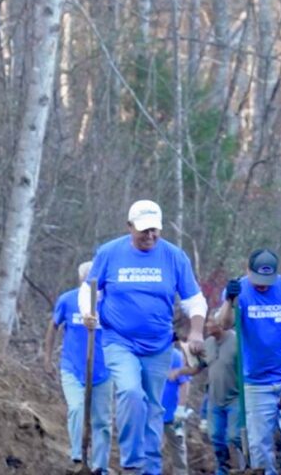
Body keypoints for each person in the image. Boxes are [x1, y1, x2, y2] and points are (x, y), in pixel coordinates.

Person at [80, 199, 208, 475]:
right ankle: (132, 462)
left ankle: (150, 467)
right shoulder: (109, 253)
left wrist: (196, 330)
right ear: (129, 227)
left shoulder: (174, 256)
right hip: (119, 340)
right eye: (143, 230)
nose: (150, 236)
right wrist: (89, 311)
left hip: (159, 345)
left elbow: (194, 300)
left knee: (154, 407)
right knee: (129, 392)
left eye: (154, 230)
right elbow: (89, 288)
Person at [219, 248, 281, 475]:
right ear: (247, 270)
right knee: (258, 443)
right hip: (255, 381)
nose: (263, 285)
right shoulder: (238, 291)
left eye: (267, 281)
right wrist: (229, 300)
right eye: (258, 280)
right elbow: (224, 324)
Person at [44, 261, 113, 475]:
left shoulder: (110, 303)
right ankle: (77, 456)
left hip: (103, 371)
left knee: (102, 419)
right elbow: (53, 327)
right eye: (85, 280)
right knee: (76, 408)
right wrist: (47, 358)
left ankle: (99, 465)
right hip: (72, 368)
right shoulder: (67, 300)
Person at [175, 313, 244, 475]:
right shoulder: (208, 344)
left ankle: (244, 467)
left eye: (210, 322)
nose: (206, 326)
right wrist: (179, 371)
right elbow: (197, 367)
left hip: (235, 398)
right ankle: (223, 469)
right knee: (216, 437)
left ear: (220, 323)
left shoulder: (236, 342)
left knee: (234, 437)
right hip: (215, 399)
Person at [162, 343, 192, 475]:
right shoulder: (148, 354)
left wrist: (180, 408)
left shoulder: (176, 356)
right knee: (150, 450)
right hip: (153, 414)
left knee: (178, 452)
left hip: (172, 414)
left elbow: (184, 383)